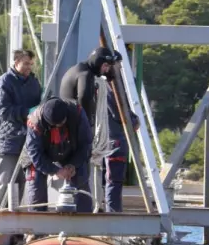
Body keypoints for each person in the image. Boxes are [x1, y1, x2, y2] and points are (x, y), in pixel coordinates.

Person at [0, 49, 42, 209]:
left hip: (26, 141)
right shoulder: (3, 83)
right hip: (7, 141)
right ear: (16, 62)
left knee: (21, 182)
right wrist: (28, 112)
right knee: (4, 180)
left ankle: (14, 215)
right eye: (26, 63)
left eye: (31, 64)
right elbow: (3, 111)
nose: (29, 67)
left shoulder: (34, 83)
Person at [22, 97, 93, 212]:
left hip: (71, 151)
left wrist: (73, 164)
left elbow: (86, 144)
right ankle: (37, 219)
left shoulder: (77, 113)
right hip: (40, 155)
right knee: (36, 188)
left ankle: (84, 219)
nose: (58, 127)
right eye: (54, 126)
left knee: (81, 182)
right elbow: (35, 154)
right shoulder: (34, 121)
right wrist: (55, 170)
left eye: (61, 124)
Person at [59, 47, 123, 127]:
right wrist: (87, 123)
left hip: (68, 116)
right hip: (74, 121)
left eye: (109, 67)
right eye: (105, 65)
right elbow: (84, 97)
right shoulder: (85, 74)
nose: (106, 70)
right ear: (98, 62)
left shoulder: (81, 68)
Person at [101, 82, 139, 212]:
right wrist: (135, 120)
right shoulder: (111, 91)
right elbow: (120, 115)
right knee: (114, 182)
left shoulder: (104, 88)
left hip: (110, 141)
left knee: (112, 181)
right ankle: (113, 215)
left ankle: (112, 213)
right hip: (114, 143)